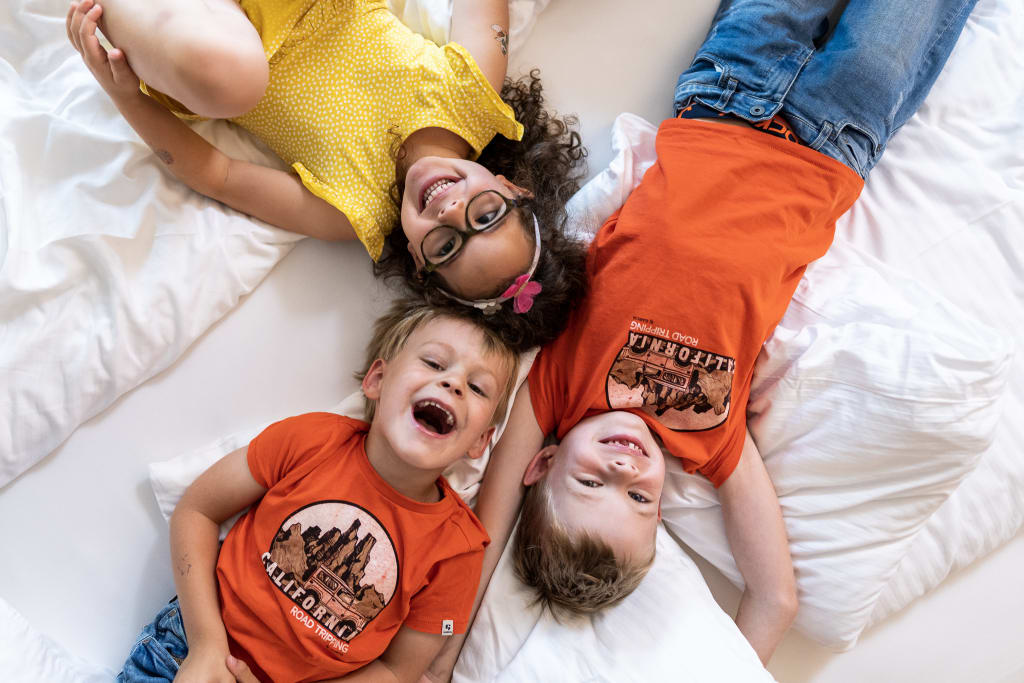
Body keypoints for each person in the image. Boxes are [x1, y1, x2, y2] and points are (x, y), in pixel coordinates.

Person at [421, 0, 980, 675]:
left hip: (728, 94)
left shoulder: (560, 388)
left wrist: (439, 656)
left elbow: (488, 523)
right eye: (637, 497)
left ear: (544, 462)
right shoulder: (712, 440)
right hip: (835, 139)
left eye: (593, 482)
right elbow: (775, 597)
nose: (624, 469)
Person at [64, 0, 587, 352]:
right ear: (514, 187)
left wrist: (123, 95)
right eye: (486, 215)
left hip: (210, 41)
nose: (450, 211)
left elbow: (217, 174)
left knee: (232, 80)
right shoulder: (475, 94)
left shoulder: (350, 212)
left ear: (421, 266)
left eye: (447, 246)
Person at [116, 300, 518, 682]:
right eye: (433, 362)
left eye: (478, 388)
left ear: (479, 442)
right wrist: (206, 645)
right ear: (377, 380)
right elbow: (197, 510)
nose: (453, 383)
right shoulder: (313, 440)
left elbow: (399, 672)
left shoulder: (457, 551)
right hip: (188, 651)